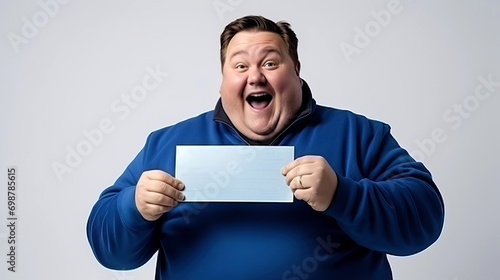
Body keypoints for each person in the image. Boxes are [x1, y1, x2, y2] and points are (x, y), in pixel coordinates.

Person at [87, 15, 444, 279]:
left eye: (270, 62)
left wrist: (343, 195)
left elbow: (424, 221)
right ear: (223, 78)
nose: (255, 75)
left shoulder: (359, 134)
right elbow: (111, 252)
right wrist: (132, 207)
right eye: (239, 65)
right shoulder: (168, 144)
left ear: (297, 69)